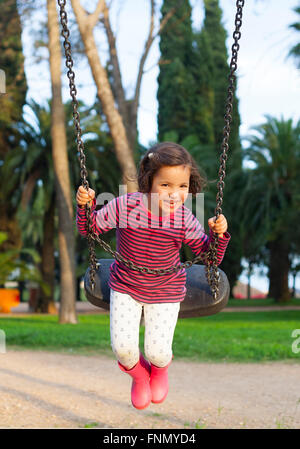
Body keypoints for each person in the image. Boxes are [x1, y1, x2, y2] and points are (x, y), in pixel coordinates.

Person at [76, 142, 230, 410]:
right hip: (125, 287)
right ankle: (139, 377)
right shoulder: (125, 206)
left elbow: (210, 259)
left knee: (157, 352)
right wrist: (85, 206)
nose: (174, 194)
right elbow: (90, 229)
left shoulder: (184, 219)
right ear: (148, 182)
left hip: (166, 291)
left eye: (182, 186)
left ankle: (158, 371)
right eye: (166, 185)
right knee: (124, 350)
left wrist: (218, 236)